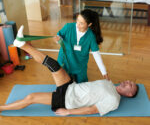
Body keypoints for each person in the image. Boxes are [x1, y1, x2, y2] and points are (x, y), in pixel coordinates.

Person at [0, 26, 138, 116]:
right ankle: (22, 44)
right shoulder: (110, 84)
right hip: (71, 86)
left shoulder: (114, 100)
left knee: (31, 97)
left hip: (67, 100)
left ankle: (1, 108)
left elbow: (92, 110)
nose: (127, 81)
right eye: (129, 81)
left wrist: (68, 112)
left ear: (130, 93)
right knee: (54, 65)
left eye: (130, 84)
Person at [54, 9, 109, 83]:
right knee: (64, 85)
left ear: (89, 24)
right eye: (77, 20)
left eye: (81, 23)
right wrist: (58, 39)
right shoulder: (68, 27)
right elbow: (59, 36)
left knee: (82, 85)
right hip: (65, 62)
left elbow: (96, 55)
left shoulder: (91, 36)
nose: (77, 25)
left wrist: (104, 72)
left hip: (79, 66)